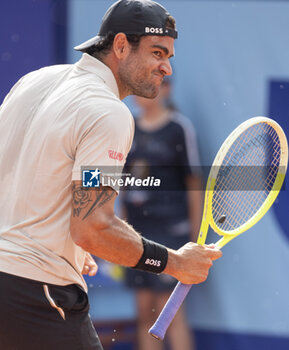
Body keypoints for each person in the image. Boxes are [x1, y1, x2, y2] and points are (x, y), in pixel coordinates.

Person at [0, 1, 222, 349]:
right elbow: (93, 228)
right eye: (157, 53)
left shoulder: (34, 81)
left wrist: (63, 237)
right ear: (120, 46)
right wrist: (175, 262)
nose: (167, 68)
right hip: (34, 291)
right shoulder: (108, 112)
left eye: (169, 56)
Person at [121, 77, 202, 350]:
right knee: (145, 312)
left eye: (149, 85)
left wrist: (194, 237)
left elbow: (194, 183)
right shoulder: (127, 128)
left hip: (172, 233)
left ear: (166, 89)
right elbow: (117, 183)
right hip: (136, 233)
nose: (139, 93)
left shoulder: (178, 128)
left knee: (170, 313)